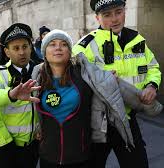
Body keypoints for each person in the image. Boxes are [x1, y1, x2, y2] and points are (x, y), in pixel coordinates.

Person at [72, 0, 162, 167]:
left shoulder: (137, 39)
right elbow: (73, 86)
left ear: (124, 12)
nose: (114, 19)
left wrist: (151, 85)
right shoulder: (83, 47)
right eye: (107, 15)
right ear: (97, 18)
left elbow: (153, 67)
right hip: (99, 122)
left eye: (118, 12)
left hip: (128, 118)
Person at [0, 23, 40, 168]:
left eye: (25, 47)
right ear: (7, 52)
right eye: (16, 48)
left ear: (31, 48)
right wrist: (10, 95)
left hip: (34, 144)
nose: (21, 52)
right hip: (7, 145)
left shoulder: (40, 70)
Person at [32, 29, 93, 168]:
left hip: (80, 155)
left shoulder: (84, 75)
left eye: (64, 44)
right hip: (49, 155)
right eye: (52, 44)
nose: (58, 47)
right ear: (44, 53)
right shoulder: (37, 78)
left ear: (69, 51)